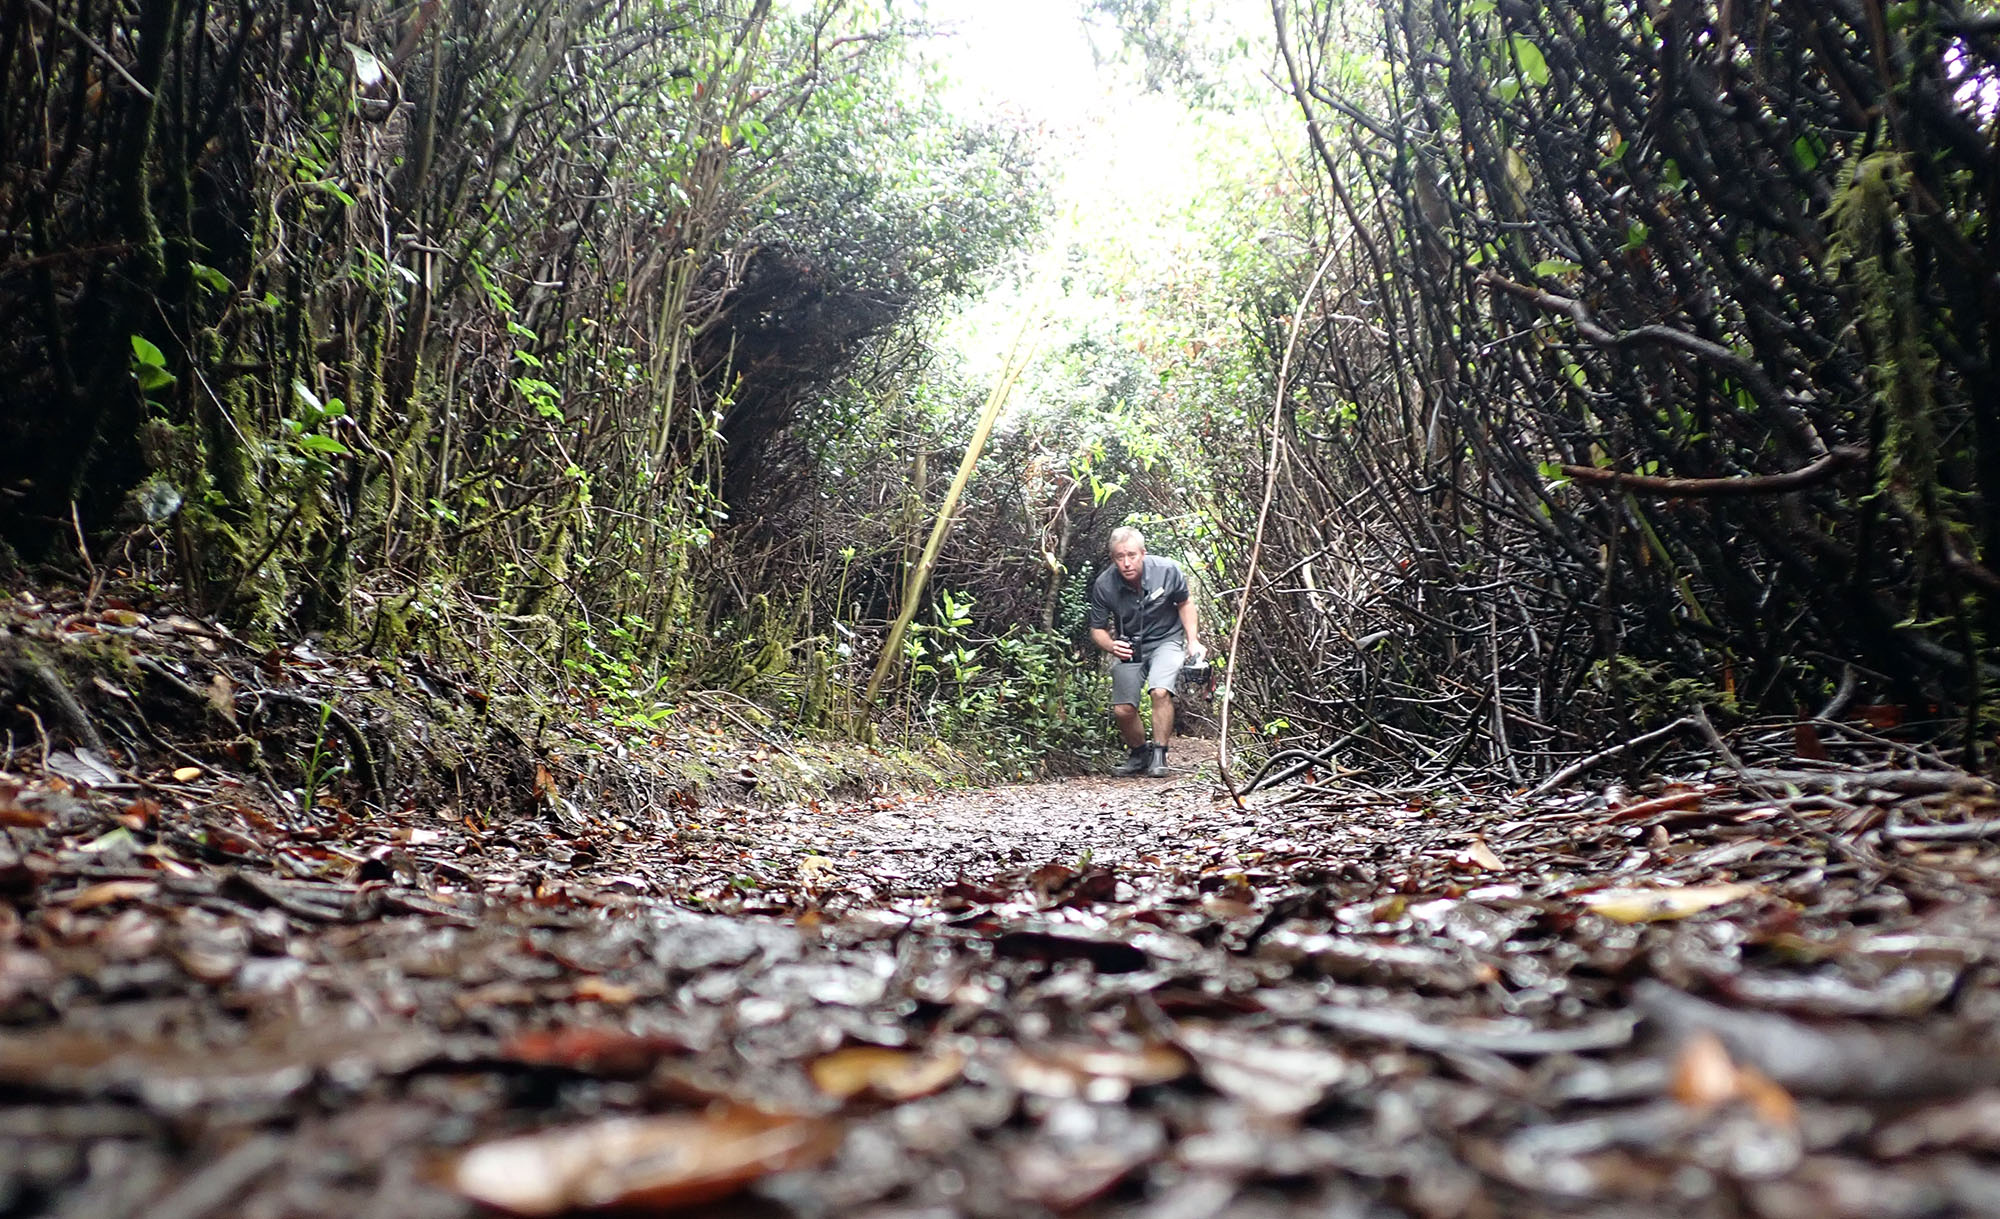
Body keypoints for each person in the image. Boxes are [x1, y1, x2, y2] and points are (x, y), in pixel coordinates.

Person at [1086, 526, 1204, 777]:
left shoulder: (1167, 570)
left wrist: (1193, 641)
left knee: (1160, 691)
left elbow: (1185, 602)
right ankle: (1140, 754)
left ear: (1143, 553)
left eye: (1132, 555)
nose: (1126, 563)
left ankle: (1160, 754)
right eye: (1120, 557)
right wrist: (1110, 644)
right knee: (1123, 709)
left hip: (1167, 639)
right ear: (1113, 558)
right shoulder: (1105, 584)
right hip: (1130, 646)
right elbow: (1096, 629)